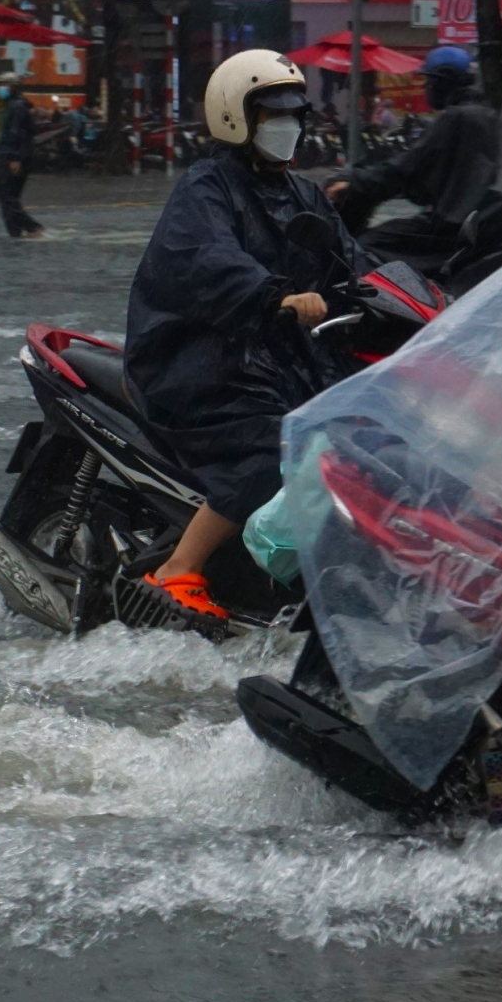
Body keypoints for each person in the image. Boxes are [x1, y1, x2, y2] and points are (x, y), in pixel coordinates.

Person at [122, 49, 367, 632]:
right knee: (275, 449)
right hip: (198, 359)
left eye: (294, 116)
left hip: (275, 358)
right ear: (237, 118)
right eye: (272, 116)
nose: (287, 128)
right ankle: (179, 569)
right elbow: (206, 260)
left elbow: (351, 261)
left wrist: (411, 299)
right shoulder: (208, 188)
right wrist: (273, 295)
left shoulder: (305, 196)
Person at [326, 45, 501, 270]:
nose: (427, 88)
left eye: (429, 82)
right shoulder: (486, 114)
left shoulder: (456, 117)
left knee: (364, 247)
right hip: (482, 219)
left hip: (451, 227)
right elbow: (425, 174)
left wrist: (355, 182)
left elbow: (407, 168)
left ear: (443, 82)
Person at [0, 78, 44, 238]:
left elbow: (16, 134)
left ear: (12, 87)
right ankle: (17, 231)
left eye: (4, 85)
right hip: (15, 156)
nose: (1, 88)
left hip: (12, 157)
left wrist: (14, 158)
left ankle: (31, 227)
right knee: (9, 198)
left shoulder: (16, 107)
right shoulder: (15, 106)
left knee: (7, 196)